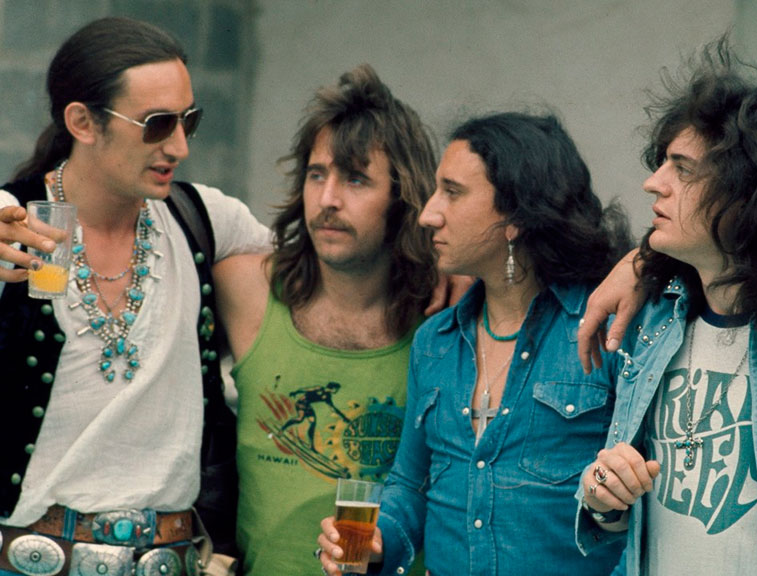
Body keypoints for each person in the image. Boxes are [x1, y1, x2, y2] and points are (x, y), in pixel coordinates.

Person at [0, 17, 269, 576]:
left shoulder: (204, 220)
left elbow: (333, 259)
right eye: (157, 124)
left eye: (189, 120)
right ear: (82, 122)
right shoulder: (12, 224)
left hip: (172, 559)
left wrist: (438, 273)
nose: (180, 146)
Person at [316, 112, 632, 575]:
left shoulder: (606, 331)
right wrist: (381, 540)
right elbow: (411, 484)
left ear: (516, 217)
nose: (428, 214)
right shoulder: (434, 342)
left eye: (452, 191)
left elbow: (641, 509)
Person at [573, 41, 757, 576]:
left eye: (683, 169)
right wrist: (602, 497)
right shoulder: (653, 321)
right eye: (662, 164)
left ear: (748, 193)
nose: (654, 183)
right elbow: (615, 516)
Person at [212, 64, 436, 576]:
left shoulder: (442, 320)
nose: (328, 199)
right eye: (317, 175)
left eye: (356, 179)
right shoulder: (247, 289)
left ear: (402, 196)